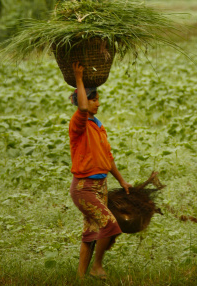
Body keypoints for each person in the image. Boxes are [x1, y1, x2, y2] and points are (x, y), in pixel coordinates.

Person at [69, 61, 132, 279]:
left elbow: (108, 158)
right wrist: (79, 77)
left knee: (90, 233)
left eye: (97, 99)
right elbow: (83, 108)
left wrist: (122, 181)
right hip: (84, 188)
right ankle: (96, 267)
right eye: (93, 99)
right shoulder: (79, 124)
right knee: (110, 225)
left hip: (100, 186)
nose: (97, 103)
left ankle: (80, 278)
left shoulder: (98, 126)